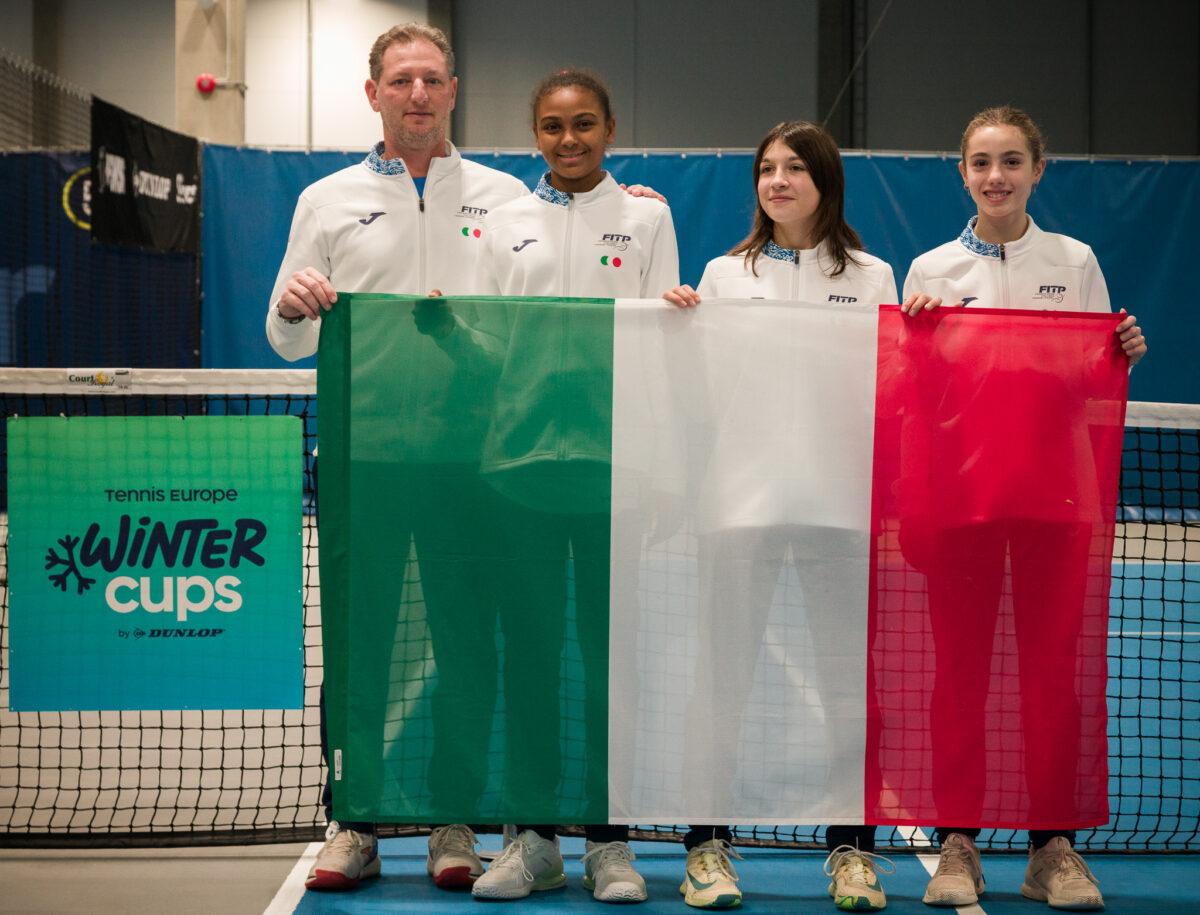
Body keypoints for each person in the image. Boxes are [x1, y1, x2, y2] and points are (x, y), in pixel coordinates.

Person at [265, 22, 527, 894]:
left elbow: (540, 306)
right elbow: (285, 336)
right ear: (373, 92)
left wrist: (627, 206)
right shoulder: (325, 200)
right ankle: (356, 819)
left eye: (432, 78)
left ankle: (455, 818)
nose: (418, 93)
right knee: (360, 640)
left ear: (453, 91)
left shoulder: (508, 198)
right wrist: (295, 303)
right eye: (402, 79)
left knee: (466, 642)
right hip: (365, 459)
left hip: (472, 464)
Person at [900, 105, 1147, 912]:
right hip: (961, 507)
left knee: (1052, 678)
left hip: (1054, 502)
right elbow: (917, 395)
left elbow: (1089, 381)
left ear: (1038, 170)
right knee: (958, 677)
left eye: (1011, 161)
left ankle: (1052, 847)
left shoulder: (1075, 261)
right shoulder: (930, 269)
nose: (996, 176)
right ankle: (958, 842)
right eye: (981, 162)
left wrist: (1121, 354)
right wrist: (915, 341)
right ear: (962, 173)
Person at [666, 121, 898, 911]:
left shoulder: (873, 276)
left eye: (795, 167)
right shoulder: (723, 275)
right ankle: (706, 846)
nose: (778, 180)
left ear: (826, 181)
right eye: (767, 168)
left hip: (841, 510)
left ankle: (852, 853)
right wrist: (674, 322)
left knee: (848, 688)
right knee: (721, 682)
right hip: (739, 509)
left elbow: (895, 381)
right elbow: (692, 384)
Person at [459, 67, 678, 905]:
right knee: (532, 656)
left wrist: (662, 468)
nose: (569, 139)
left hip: (615, 471)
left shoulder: (648, 217)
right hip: (518, 473)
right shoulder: (504, 222)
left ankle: (610, 841)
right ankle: (535, 839)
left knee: (608, 662)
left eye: (584, 123)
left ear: (610, 129)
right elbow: (483, 339)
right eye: (553, 126)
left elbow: (663, 344)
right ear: (536, 135)